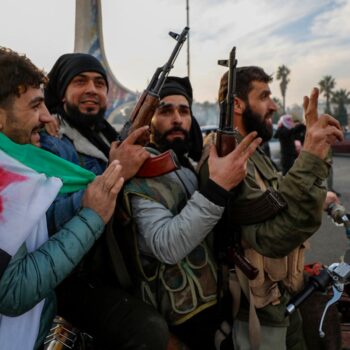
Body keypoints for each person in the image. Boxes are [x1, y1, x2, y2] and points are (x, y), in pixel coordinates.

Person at [198, 66, 343, 350]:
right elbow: (271, 238)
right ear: (237, 104)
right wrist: (311, 157)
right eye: (264, 96)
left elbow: (281, 200)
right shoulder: (225, 157)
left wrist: (318, 155)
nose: (274, 105)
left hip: (281, 297)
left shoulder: (253, 152)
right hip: (255, 310)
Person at [121, 76, 262, 349]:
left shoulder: (185, 164)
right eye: (166, 110)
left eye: (184, 111)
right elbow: (167, 245)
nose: (177, 119)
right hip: (179, 317)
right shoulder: (140, 174)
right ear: (148, 119)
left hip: (213, 302)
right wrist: (218, 188)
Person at [40, 53, 170, 349]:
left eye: (100, 83)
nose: (92, 89)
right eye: (80, 81)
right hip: (75, 275)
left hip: (116, 260)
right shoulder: (52, 139)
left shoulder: (105, 134)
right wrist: (115, 170)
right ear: (61, 92)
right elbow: (60, 210)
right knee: (149, 330)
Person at [0, 47, 124, 349]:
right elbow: (13, 291)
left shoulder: (18, 165)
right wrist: (91, 216)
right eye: (34, 106)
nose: (46, 116)